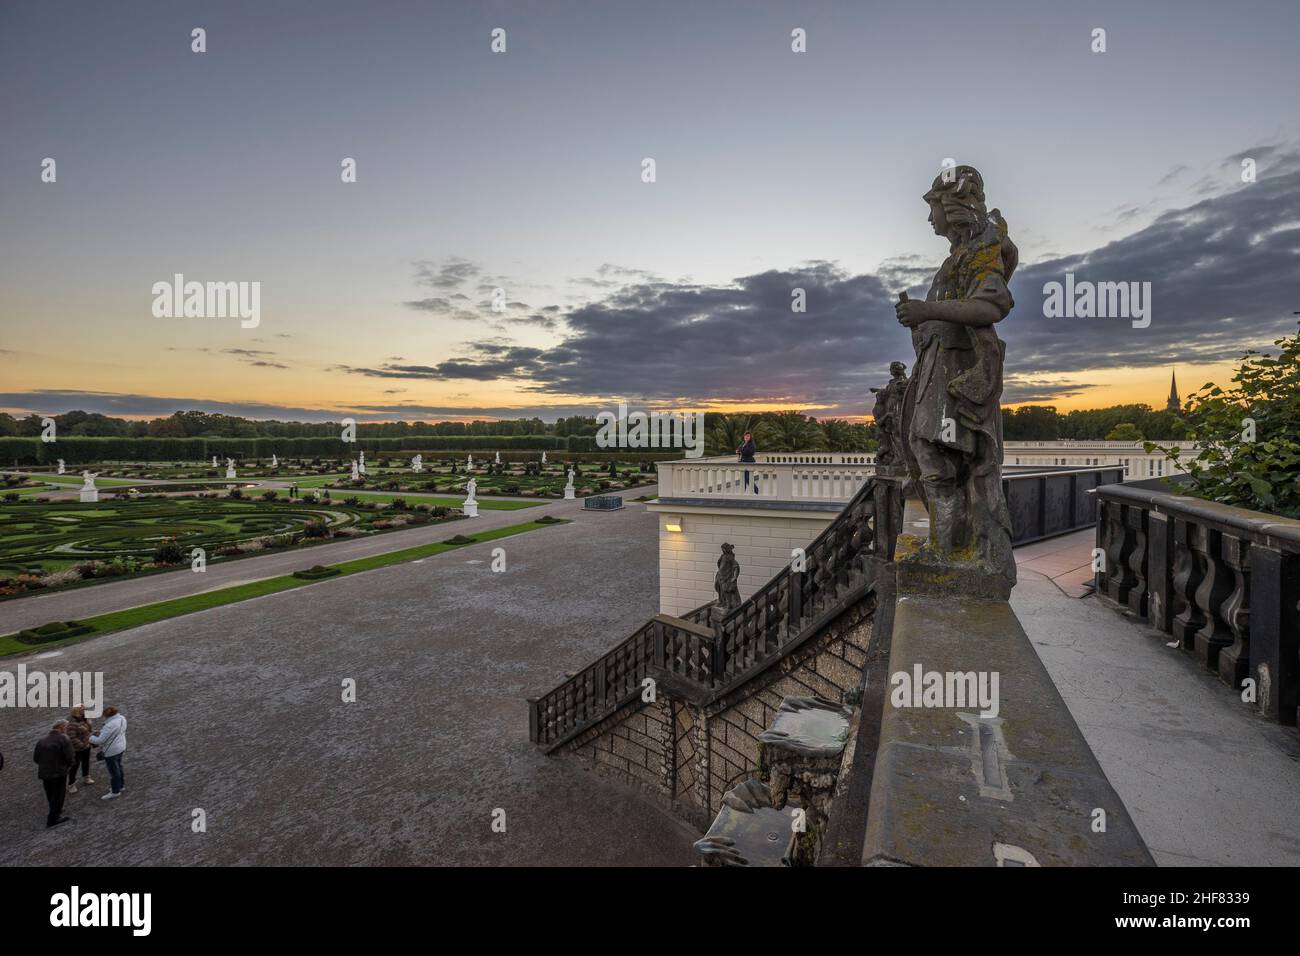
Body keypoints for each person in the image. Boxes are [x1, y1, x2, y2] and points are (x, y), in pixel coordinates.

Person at [34, 721, 74, 828]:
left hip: (45, 773)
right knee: (58, 795)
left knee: (50, 794)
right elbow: (69, 757)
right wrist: (68, 766)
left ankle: (55, 811)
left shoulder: (41, 741)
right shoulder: (64, 739)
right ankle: (53, 818)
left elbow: (36, 758)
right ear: (62, 728)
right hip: (59, 772)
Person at [90, 705, 127, 800]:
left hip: (111, 751)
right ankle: (121, 786)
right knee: (119, 767)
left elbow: (100, 741)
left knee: (114, 771)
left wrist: (90, 738)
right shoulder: (122, 718)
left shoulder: (110, 725)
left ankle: (115, 791)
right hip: (121, 747)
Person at [64, 705, 95, 793]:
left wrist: (93, 735)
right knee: (74, 766)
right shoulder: (71, 723)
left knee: (86, 762)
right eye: (83, 710)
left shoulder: (84, 718)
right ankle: (71, 784)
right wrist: (81, 745)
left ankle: (86, 777)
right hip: (77, 749)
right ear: (77, 711)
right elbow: (71, 737)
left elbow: (88, 730)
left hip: (86, 745)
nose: (85, 711)